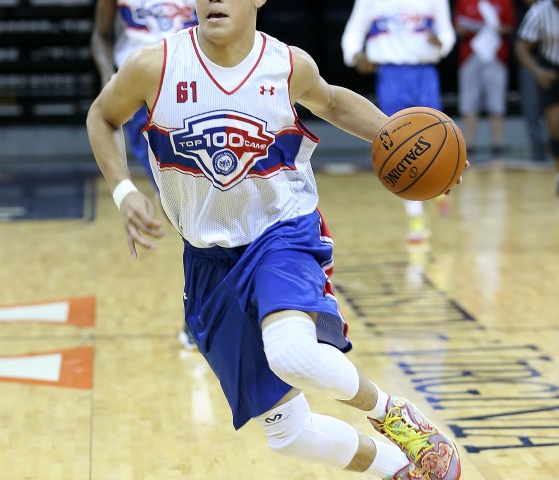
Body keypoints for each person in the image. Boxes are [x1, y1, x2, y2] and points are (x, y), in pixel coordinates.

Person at [86, 1, 465, 478]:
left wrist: (415, 143)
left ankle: (392, 413)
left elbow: (331, 101)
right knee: (287, 434)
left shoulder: (286, 64)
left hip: (280, 233)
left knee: (290, 354)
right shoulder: (154, 65)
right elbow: (101, 115)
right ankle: (398, 470)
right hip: (207, 260)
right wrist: (123, 192)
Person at [90, 0, 198, 349]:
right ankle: (198, 315)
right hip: (143, 99)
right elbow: (101, 35)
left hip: (197, 88)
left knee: (201, 200)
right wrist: (110, 77)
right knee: (185, 202)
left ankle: (208, 312)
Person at [341, 0, 456, 242]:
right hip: (390, 74)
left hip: (424, 73)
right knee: (399, 147)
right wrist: (354, 55)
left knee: (435, 140)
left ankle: (439, 185)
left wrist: (443, 43)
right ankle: (415, 216)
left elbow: (447, 32)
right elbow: (353, 32)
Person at [454, 0, 515, 158]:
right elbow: (458, 27)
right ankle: (468, 146)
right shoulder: (464, 2)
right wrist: (469, 28)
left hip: (495, 55)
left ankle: (498, 146)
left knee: (496, 102)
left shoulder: (504, 2)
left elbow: (510, 26)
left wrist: (492, 27)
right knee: (469, 102)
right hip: (470, 54)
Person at [515, 0, 559, 194]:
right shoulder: (539, 12)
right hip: (552, 71)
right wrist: (538, 71)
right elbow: (521, 46)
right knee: (556, 126)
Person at [515, 0, 548, 164]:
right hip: (530, 61)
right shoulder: (530, 12)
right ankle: (538, 152)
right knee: (531, 109)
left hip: (551, 61)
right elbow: (520, 46)